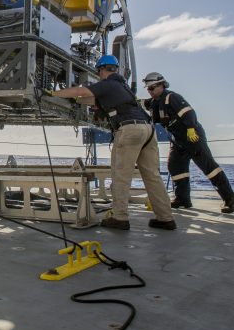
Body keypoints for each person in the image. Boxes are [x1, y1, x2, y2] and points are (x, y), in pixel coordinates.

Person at [50, 55, 176, 230]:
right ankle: (165, 218)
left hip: (129, 130)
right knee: (152, 176)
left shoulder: (108, 84)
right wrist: (74, 98)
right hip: (148, 130)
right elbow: (88, 99)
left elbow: (82, 91)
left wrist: (53, 93)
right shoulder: (121, 87)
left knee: (120, 175)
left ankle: (120, 217)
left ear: (101, 70)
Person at [142, 72, 234, 213]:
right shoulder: (155, 102)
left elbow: (189, 113)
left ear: (161, 85)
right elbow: (143, 104)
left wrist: (190, 128)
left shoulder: (172, 97)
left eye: (152, 88)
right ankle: (182, 199)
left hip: (192, 136)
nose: (149, 91)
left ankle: (231, 199)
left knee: (209, 167)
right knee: (175, 167)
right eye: (148, 89)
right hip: (178, 141)